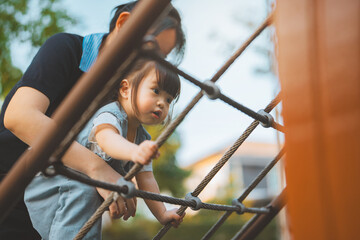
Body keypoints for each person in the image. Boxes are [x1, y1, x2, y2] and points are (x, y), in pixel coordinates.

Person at [0, 1, 185, 239]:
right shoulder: (69, 49)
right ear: (124, 23)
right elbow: (19, 117)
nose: (156, 64)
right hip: (10, 183)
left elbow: (141, 169)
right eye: (152, 50)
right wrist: (99, 170)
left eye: (163, 58)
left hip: (59, 206)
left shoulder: (125, 102)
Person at [24, 59, 185, 239]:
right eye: (156, 91)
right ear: (125, 89)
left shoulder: (143, 138)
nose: (162, 103)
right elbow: (107, 139)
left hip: (76, 186)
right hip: (51, 178)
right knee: (85, 196)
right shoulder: (110, 114)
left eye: (169, 99)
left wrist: (162, 213)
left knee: (88, 216)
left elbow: (147, 179)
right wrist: (134, 152)